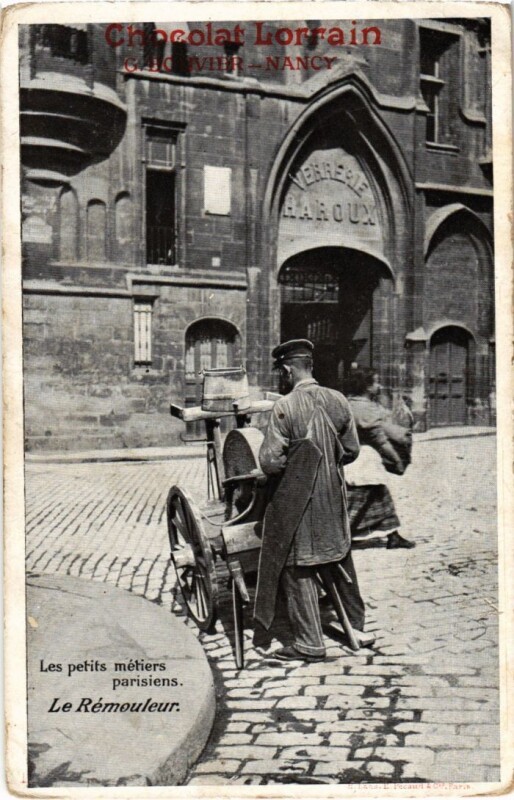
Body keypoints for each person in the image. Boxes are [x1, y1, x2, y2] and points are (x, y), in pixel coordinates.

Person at [254, 339, 374, 663]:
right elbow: (352, 450)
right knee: (339, 553)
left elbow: (269, 462)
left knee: (296, 563)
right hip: (334, 496)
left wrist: (297, 466)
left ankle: (309, 643)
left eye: (282, 371)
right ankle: (357, 627)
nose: (282, 376)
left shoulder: (284, 407)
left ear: (289, 369)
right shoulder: (338, 400)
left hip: (300, 499)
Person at [343, 367, 415, 549]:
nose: (378, 385)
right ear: (366, 387)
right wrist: (396, 460)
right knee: (355, 502)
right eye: (375, 382)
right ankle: (335, 538)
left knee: (380, 495)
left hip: (346, 459)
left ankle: (393, 535)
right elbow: (381, 441)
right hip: (361, 462)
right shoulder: (366, 410)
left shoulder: (345, 403)